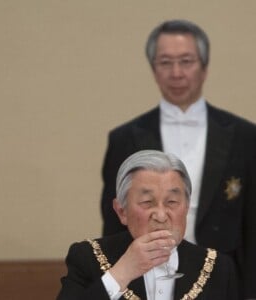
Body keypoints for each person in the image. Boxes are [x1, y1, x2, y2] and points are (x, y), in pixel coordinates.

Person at [100, 20, 256, 298]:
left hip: (224, 280)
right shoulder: (125, 138)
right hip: (145, 277)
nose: (176, 73)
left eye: (186, 61)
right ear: (153, 69)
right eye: (165, 62)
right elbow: (114, 223)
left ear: (204, 67)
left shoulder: (245, 136)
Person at [57, 150, 238, 300]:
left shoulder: (218, 266)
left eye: (172, 202)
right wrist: (122, 272)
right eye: (147, 202)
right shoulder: (88, 257)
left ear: (186, 207)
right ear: (121, 211)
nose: (160, 216)